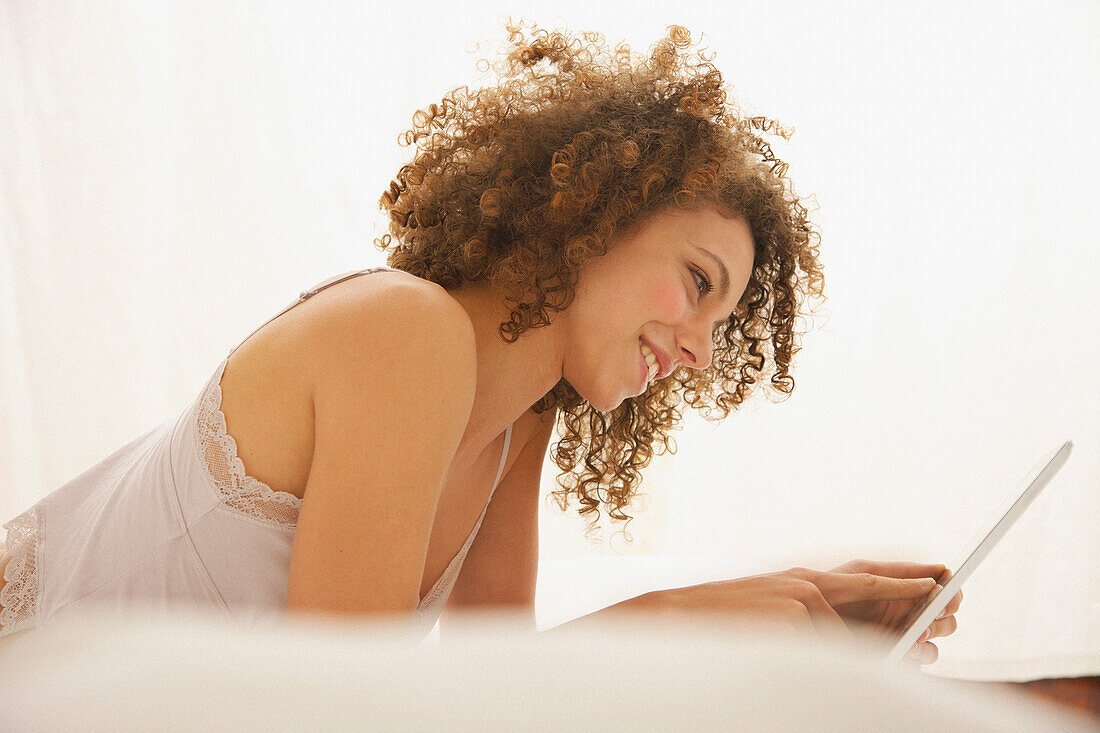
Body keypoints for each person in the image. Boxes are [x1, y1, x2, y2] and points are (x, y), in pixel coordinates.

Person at [0, 21, 960, 663]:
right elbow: (347, 710)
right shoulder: (403, 332)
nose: (703, 351)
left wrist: (774, 605)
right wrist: (680, 618)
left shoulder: (515, 428)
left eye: (721, 324)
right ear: (597, 210)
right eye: (700, 283)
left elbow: (496, 694)